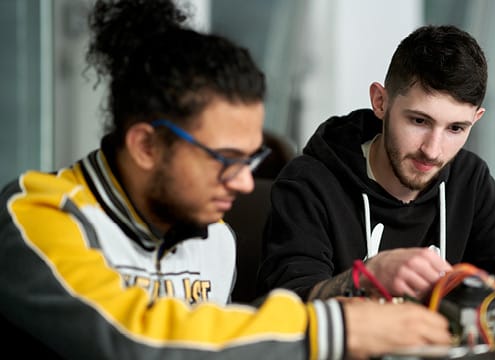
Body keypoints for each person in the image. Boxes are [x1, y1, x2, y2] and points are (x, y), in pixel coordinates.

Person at [0, 1, 452, 358]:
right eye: (225, 159)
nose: (242, 184)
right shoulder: (40, 215)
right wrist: (335, 329)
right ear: (146, 146)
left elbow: (218, 345)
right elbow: (132, 341)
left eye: (250, 158)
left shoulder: (216, 240)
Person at [257, 24, 495, 319]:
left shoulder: (469, 179)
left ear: (476, 120)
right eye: (419, 121)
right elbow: (290, 305)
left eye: (456, 128)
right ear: (380, 101)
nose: (433, 150)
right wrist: (367, 278)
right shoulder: (310, 182)